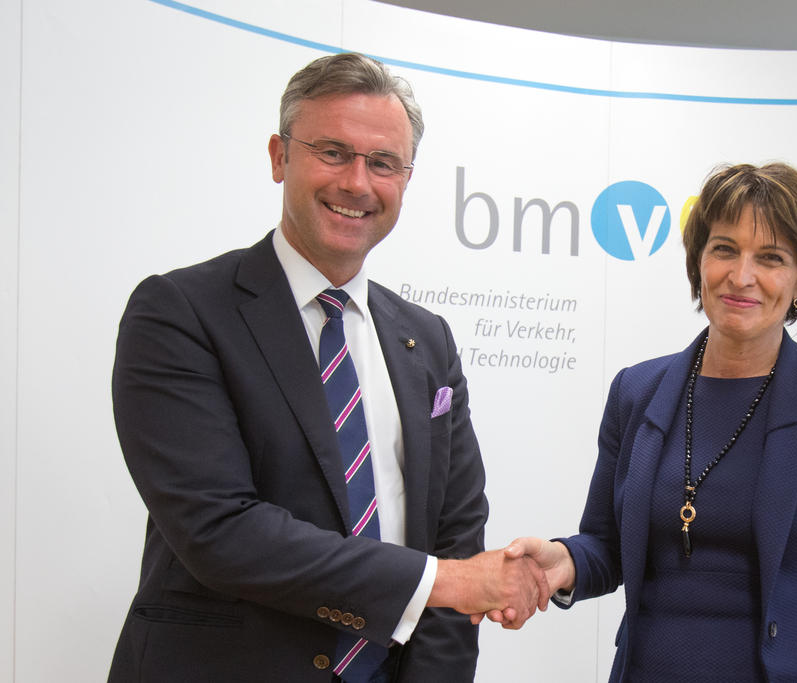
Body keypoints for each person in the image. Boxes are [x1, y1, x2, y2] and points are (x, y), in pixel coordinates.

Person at [108, 52, 547, 683]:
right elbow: (220, 531)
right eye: (333, 151)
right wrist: (443, 581)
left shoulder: (427, 340)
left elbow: (457, 534)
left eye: (383, 163)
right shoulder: (180, 313)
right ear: (279, 156)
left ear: (406, 177)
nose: (357, 183)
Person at [498, 163, 797, 681]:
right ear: (699, 263)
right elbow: (608, 546)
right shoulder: (636, 392)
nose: (741, 275)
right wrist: (564, 562)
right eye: (724, 249)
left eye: (771, 258)